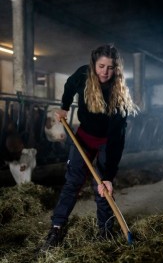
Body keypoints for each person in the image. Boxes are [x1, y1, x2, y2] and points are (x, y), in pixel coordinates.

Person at [40, 44, 139, 251]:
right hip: (84, 137)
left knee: (102, 188)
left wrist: (108, 177)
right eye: (101, 66)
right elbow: (68, 85)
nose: (104, 72)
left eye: (110, 68)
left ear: (116, 69)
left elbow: (115, 140)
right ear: (94, 64)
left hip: (106, 142)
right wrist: (64, 107)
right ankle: (56, 228)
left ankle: (105, 231)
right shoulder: (83, 75)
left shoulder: (118, 97)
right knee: (72, 182)